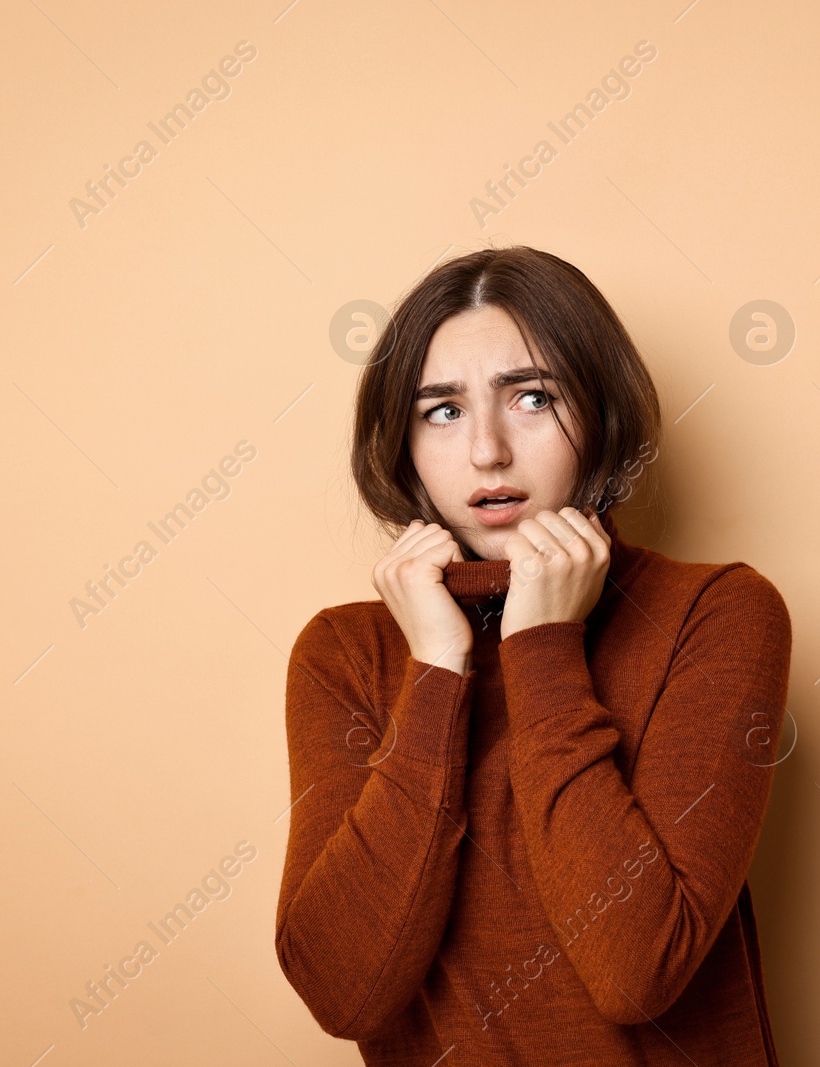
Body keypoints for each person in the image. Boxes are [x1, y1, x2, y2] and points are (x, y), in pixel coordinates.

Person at [276, 245, 792, 1065]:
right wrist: (439, 667)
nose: (487, 451)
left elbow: (634, 971)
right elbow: (345, 991)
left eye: (532, 397)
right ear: (403, 442)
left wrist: (542, 648)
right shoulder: (346, 654)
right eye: (441, 410)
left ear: (599, 412)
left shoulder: (715, 613)